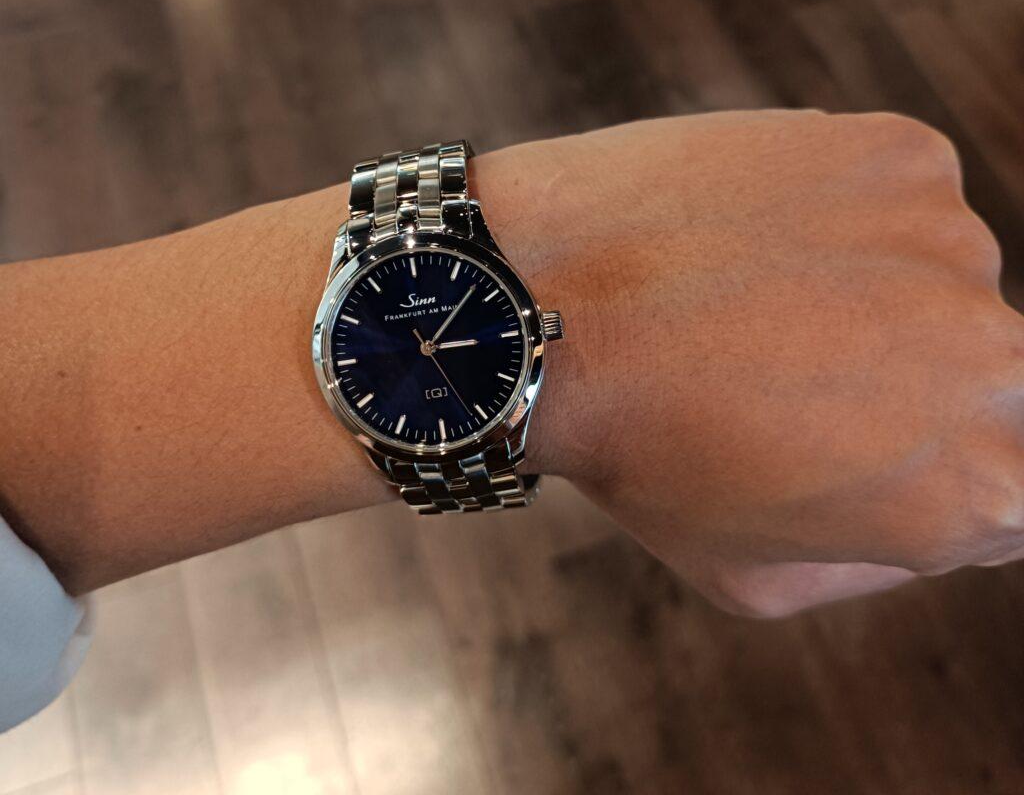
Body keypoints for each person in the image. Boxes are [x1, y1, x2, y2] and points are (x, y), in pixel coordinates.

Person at [2, 110, 1022, 730]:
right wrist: (570, 262)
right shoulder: (411, 351)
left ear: (540, 331)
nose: (434, 349)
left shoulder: (480, 350)